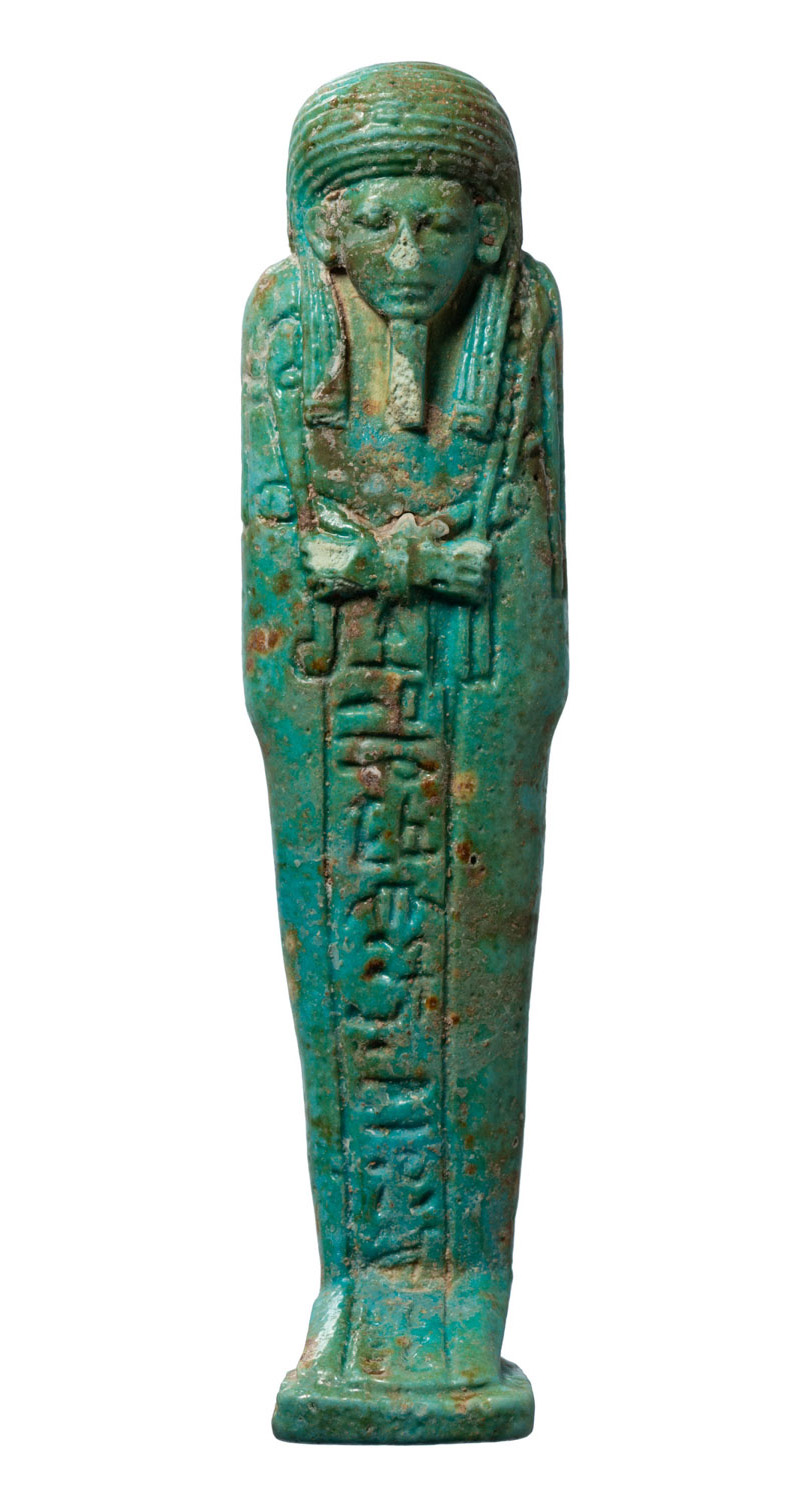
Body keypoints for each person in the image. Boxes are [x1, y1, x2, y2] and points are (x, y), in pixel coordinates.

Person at [242, 61, 568, 1442]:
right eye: (376, 222)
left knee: (453, 950)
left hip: (465, 726)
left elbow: (530, 590)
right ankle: (368, 1287)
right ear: (326, 235)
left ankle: (447, 1299)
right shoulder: (286, 339)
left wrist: (419, 580)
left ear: (490, 234)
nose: (409, 251)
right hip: (345, 725)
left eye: (438, 221)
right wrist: (392, 572)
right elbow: (278, 576)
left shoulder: (524, 328)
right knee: (365, 960)